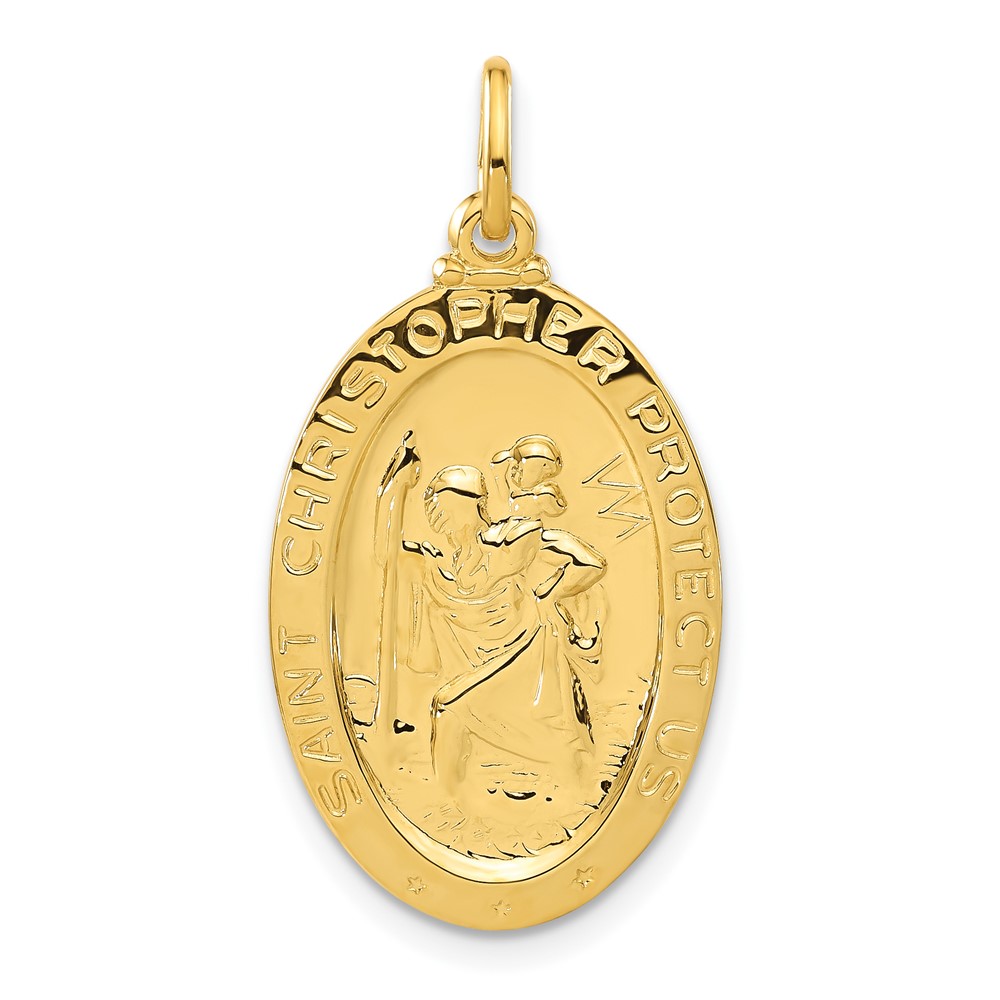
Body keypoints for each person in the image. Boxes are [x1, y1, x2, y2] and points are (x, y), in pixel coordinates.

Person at [377, 443, 607, 798]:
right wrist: (392, 491)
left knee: (447, 709)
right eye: (433, 508)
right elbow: (386, 554)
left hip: (524, 658)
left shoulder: (505, 542)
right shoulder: (442, 564)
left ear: (466, 506)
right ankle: (455, 803)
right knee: (454, 714)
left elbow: (590, 563)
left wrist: (547, 595)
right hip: (480, 666)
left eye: (441, 507)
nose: (435, 516)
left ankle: (450, 802)